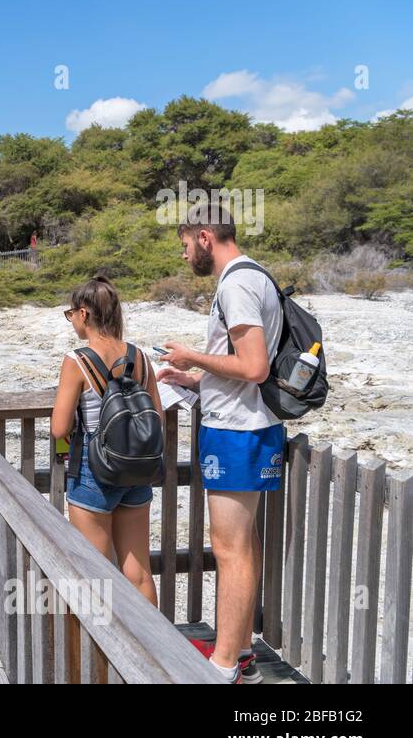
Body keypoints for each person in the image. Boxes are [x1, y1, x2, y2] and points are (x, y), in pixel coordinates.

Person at [157, 203, 283, 684]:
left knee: (229, 550)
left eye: (186, 244)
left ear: (206, 236)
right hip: (248, 424)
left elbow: (254, 368)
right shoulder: (255, 277)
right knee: (243, 546)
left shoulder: (236, 284)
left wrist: (192, 355)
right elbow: (242, 370)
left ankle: (223, 667)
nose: (185, 255)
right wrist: (192, 377)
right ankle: (242, 651)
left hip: (236, 431)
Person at [50, 275, 160, 607]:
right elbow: (156, 414)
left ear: (83, 314)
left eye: (71, 314)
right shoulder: (139, 357)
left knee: (94, 576)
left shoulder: (77, 360)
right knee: (139, 573)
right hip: (135, 470)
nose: (71, 321)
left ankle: (99, 658)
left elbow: (59, 428)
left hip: (93, 472)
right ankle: (152, 653)